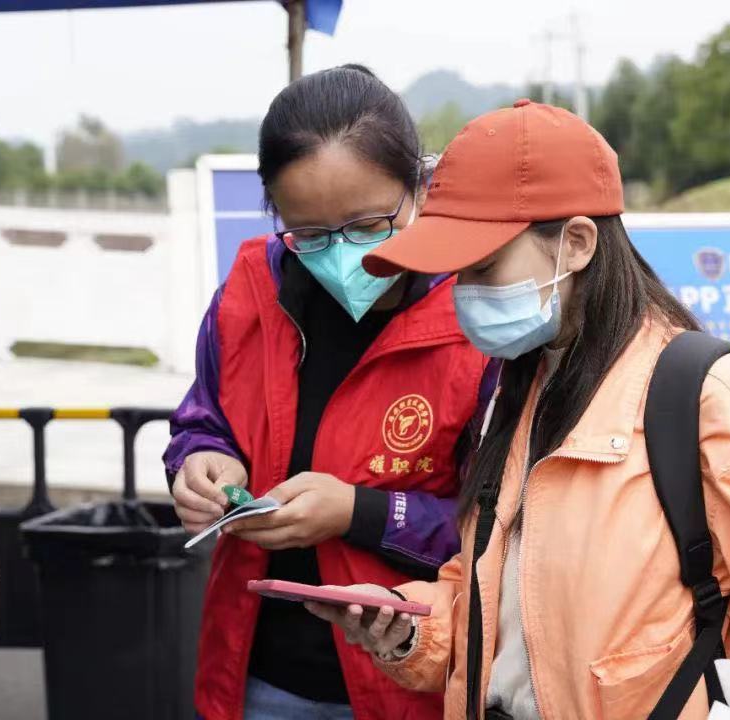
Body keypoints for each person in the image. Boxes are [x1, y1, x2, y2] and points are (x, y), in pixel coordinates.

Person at [305, 100, 730, 719]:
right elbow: (503, 612)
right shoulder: (518, 389)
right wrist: (409, 625)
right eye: (456, 274)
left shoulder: (706, 394)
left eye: (484, 268)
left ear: (577, 243)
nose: (464, 294)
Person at [163, 65, 491, 720]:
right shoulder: (249, 293)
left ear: (420, 189)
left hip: (410, 686)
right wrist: (201, 461)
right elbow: (205, 418)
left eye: (368, 224)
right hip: (256, 676)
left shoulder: (477, 322)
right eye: (310, 234)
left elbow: (508, 529)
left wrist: (359, 512)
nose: (343, 256)